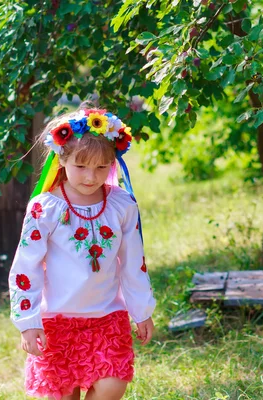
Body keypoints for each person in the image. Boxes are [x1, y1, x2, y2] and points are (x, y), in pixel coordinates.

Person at [8, 107, 156, 400]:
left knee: (112, 386)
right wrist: (28, 321)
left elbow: (132, 263)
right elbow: (27, 267)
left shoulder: (121, 204)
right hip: (56, 324)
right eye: (81, 166)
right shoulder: (45, 207)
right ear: (62, 160)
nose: (91, 177)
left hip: (107, 319)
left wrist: (142, 310)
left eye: (102, 167)